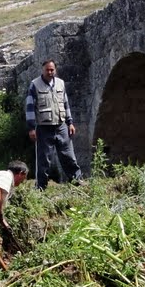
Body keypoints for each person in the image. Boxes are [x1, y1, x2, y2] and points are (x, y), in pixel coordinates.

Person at [26, 59, 83, 190]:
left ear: (55, 70)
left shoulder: (61, 83)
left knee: (69, 156)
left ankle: (76, 181)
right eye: (47, 70)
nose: (50, 72)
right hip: (43, 127)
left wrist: (70, 123)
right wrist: (31, 128)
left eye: (52, 70)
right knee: (44, 160)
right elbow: (29, 107)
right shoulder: (35, 85)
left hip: (61, 125)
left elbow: (65, 103)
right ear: (43, 70)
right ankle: (41, 187)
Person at [0, 160, 29, 237]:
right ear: (21, 173)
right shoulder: (7, 176)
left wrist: (5, 224)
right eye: (24, 177)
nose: (23, 181)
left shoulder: (6, 177)